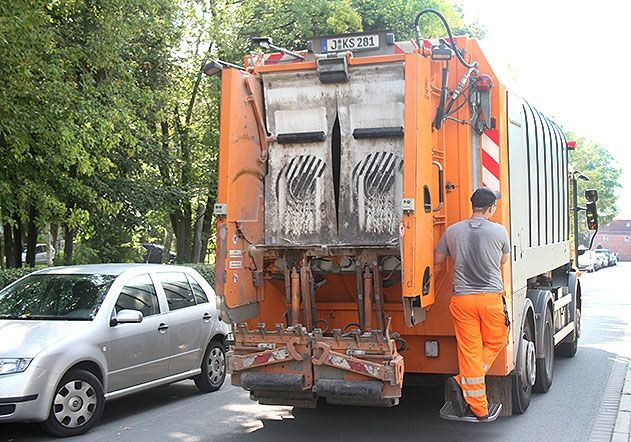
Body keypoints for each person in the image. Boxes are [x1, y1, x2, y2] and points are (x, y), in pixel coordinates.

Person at [434, 187, 510, 421]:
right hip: (490, 298)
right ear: (491, 208)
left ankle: (477, 403)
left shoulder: (453, 231)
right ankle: (474, 400)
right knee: (497, 339)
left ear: (472, 205)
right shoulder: (499, 231)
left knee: (470, 350)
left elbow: (437, 259)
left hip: (462, 299)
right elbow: (503, 260)